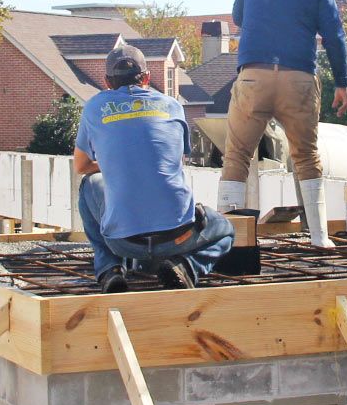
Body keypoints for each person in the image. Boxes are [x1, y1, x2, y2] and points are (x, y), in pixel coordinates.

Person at [218, 0, 347, 247]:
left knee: (236, 155)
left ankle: (226, 240)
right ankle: (320, 237)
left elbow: (239, 17)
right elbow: (335, 36)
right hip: (298, 80)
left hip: (254, 77)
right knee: (306, 156)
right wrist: (342, 82)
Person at [75, 43, 235, 292]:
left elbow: (82, 166)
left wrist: (113, 162)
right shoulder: (173, 106)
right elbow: (171, 159)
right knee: (224, 230)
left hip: (123, 242)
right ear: (147, 77)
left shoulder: (95, 107)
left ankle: (109, 269)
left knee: (89, 185)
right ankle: (187, 267)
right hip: (178, 237)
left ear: (107, 82)